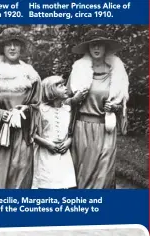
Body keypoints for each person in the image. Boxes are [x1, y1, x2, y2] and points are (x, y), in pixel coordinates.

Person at [0, 27, 42, 189]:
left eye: (16, 44)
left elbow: (36, 105)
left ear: (22, 47)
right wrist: (3, 115)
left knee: (20, 181)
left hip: (21, 136)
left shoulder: (31, 75)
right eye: (8, 44)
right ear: (2, 47)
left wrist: (24, 111)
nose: (12, 48)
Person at [67, 28, 129, 189]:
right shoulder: (78, 70)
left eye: (99, 45)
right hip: (83, 129)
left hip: (106, 129)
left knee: (104, 173)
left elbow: (122, 102)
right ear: (88, 48)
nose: (96, 48)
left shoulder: (117, 72)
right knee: (84, 173)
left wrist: (115, 107)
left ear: (105, 47)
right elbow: (63, 101)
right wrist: (75, 99)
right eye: (93, 45)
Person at [32, 76, 77, 189]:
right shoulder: (40, 110)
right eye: (60, 85)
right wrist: (47, 144)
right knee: (46, 184)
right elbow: (32, 133)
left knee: (64, 185)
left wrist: (68, 142)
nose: (65, 88)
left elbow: (72, 131)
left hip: (63, 154)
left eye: (64, 84)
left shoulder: (68, 110)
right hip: (45, 153)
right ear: (50, 90)